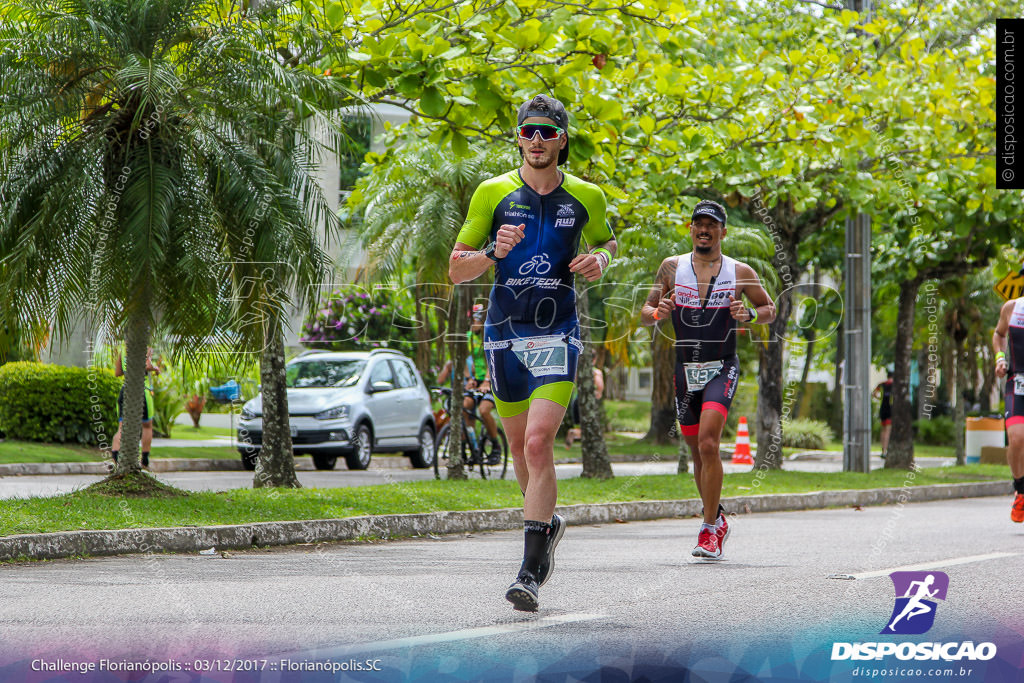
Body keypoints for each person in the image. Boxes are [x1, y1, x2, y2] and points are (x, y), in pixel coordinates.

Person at [448, 94, 616, 611]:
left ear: (562, 139)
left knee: (540, 444)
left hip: (556, 332)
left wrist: (600, 261)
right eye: (528, 132)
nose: (537, 141)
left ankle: (528, 573)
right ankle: (546, 526)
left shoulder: (587, 196)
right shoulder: (492, 193)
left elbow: (607, 242)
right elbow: (457, 270)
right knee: (520, 450)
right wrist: (494, 251)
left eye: (547, 132)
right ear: (519, 137)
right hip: (504, 333)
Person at [640, 200, 775, 559]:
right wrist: (657, 311)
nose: (704, 229)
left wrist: (747, 313)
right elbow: (644, 313)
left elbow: (769, 309)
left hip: (721, 366)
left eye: (711, 225)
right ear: (690, 229)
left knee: (709, 444)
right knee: (697, 453)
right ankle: (716, 517)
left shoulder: (739, 271)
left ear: (722, 232)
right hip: (685, 370)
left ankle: (709, 526)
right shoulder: (671, 267)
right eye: (698, 223)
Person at [437, 304, 501, 464]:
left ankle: (495, 446)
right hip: (475, 380)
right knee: (464, 407)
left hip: (491, 379)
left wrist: (487, 381)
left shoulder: (490, 334)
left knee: (484, 410)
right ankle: (469, 449)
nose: (474, 322)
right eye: (472, 319)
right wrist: (469, 378)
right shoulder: (468, 336)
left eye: (477, 319)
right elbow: (462, 358)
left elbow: (492, 360)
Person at [993, 293, 1024, 523]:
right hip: (1017, 382)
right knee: (1016, 437)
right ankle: (1020, 490)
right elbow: (998, 334)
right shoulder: (1012, 308)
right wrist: (1000, 358)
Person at [111, 344, 161, 468]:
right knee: (147, 425)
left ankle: (116, 461)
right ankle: (144, 461)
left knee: (122, 427)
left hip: (125, 390)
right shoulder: (143, 344)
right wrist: (155, 368)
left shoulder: (123, 349)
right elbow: (147, 365)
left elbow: (117, 372)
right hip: (141, 390)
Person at [565, 367, 604, 447]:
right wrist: (598, 393)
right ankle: (575, 434)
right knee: (589, 428)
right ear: (594, 359)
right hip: (585, 403)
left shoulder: (577, 370)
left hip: (575, 401)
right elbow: (599, 388)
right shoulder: (596, 372)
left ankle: (572, 434)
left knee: (580, 427)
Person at [872, 370, 894, 458]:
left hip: (882, 409)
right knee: (888, 431)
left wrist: (879, 398)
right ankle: (886, 451)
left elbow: (873, 394)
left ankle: (883, 449)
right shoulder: (895, 385)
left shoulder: (881, 384)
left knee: (883, 430)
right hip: (890, 409)